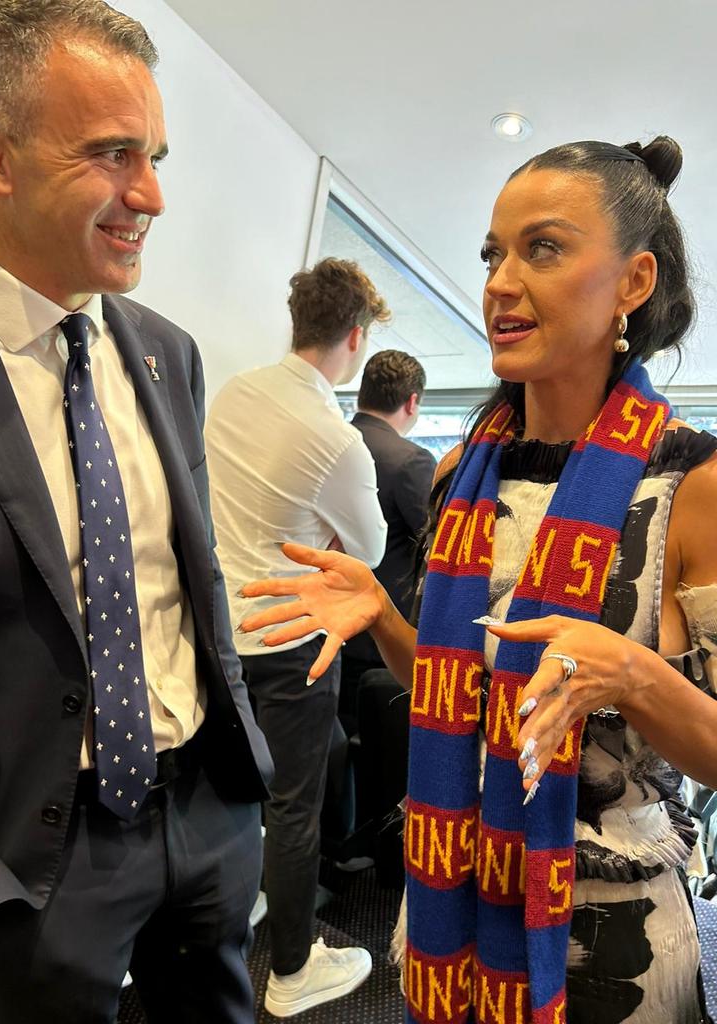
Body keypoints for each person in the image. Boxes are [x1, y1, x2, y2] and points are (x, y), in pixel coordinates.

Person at [240, 136, 717, 1024]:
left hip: (613, 939)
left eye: (543, 247)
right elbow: (462, 686)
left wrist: (632, 674)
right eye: (493, 253)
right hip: (452, 899)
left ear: (633, 282)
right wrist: (383, 614)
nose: (499, 280)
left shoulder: (693, 486)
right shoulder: (465, 469)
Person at [0, 3, 272, 1022]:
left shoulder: (164, 350)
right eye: (112, 155)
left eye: (157, 154)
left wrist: (235, 796)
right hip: (38, 865)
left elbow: (187, 579)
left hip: (207, 815)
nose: (153, 195)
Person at [205, 256, 389, 1017]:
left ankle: (228, 935)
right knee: (293, 810)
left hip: (219, 633)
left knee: (223, 803)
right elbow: (371, 551)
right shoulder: (334, 437)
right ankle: (289, 972)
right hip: (291, 646)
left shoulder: (234, 393)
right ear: (354, 336)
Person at [340, 350, 435, 725]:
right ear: (412, 402)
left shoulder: (328, 444)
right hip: (383, 639)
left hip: (329, 625)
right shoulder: (411, 460)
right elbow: (437, 546)